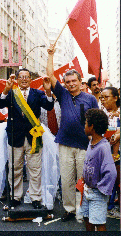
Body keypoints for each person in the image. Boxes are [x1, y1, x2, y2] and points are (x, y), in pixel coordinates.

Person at [47, 44, 99, 221]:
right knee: (67, 179)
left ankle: (84, 209)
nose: (70, 84)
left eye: (73, 81)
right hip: (66, 144)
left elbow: (97, 122)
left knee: (85, 180)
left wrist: (96, 142)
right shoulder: (62, 94)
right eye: (67, 82)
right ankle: (69, 210)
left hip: (85, 145)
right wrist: (51, 54)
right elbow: (50, 75)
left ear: (80, 81)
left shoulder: (91, 98)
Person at [0, 68, 54, 209]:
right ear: (17, 78)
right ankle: (15, 197)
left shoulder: (38, 93)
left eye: (27, 77)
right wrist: (6, 89)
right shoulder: (11, 92)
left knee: (35, 169)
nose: (24, 79)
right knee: (15, 168)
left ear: (30, 79)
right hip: (15, 136)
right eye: (21, 77)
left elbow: (49, 105)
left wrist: (48, 91)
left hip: (33, 137)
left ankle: (35, 197)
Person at [78, 108, 117, 231]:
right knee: (87, 218)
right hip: (87, 190)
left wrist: (101, 188)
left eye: (85, 123)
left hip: (97, 193)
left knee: (99, 223)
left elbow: (111, 172)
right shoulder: (92, 142)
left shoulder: (103, 147)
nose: (84, 126)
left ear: (92, 126)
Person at [100, 87, 120, 218]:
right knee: (108, 180)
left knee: (119, 180)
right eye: (101, 97)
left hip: (118, 153)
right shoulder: (100, 113)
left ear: (116, 98)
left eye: (106, 97)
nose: (102, 100)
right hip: (105, 152)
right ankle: (108, 207)